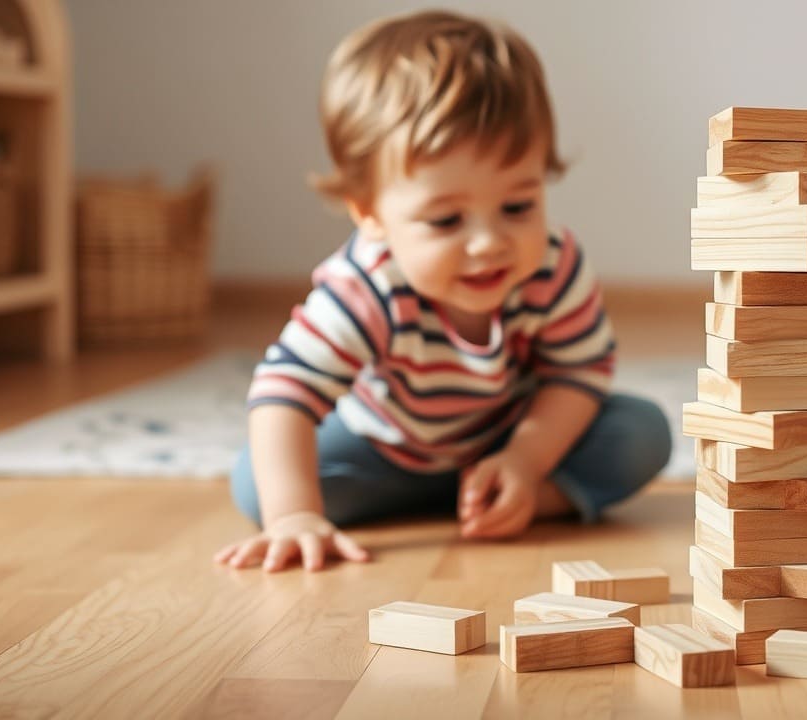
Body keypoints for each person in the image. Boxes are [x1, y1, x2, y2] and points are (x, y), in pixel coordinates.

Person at [213, 10, 671, 573]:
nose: (488, 244)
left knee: (642, 434)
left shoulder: (553, 265)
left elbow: (578, 375)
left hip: (514, 436)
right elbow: (285, 390)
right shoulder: (366, 287)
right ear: (370, 213)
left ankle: (515, 495)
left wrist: (526, 462)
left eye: (517, 207)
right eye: (446, 220)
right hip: (383, 452)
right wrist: (294, 517)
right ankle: (461, 500)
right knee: (258, 486)